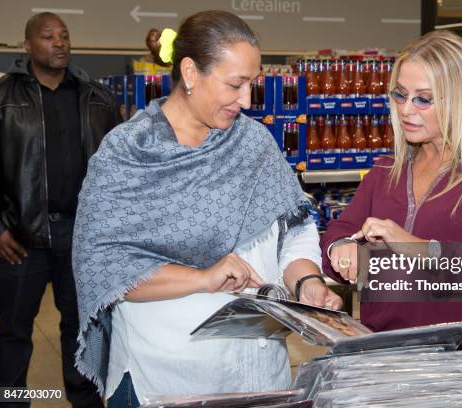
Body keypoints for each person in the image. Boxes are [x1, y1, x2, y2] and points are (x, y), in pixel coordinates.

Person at [72, 10, 342, 407]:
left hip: (258, 371)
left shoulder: (253, 143)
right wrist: (202, 277)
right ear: (191, 72)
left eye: (252, 84)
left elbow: (294, 229)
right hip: (165, 375)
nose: (247, 100)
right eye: (235, 84)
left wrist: (306, 282)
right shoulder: (128, 153)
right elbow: (104, 267)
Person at [320, 30, 462, 393]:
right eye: (400, 94)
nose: (405, 109)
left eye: (423, 99)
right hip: (387, 363)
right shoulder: (387, 170)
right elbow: (337, 234)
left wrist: (416, 246)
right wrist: (342, 249)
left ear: (460, 100)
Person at [0, 12, 120, 408]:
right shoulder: (3, 98)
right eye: (48, 36)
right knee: (13, 335)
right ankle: (12, 402)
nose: (59, 43)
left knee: (81, 332)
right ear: (27, 46)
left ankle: (84, 402)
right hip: (20, 240)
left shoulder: (96, 97)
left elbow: (119, 168)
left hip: (83, 238)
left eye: (64, 36)